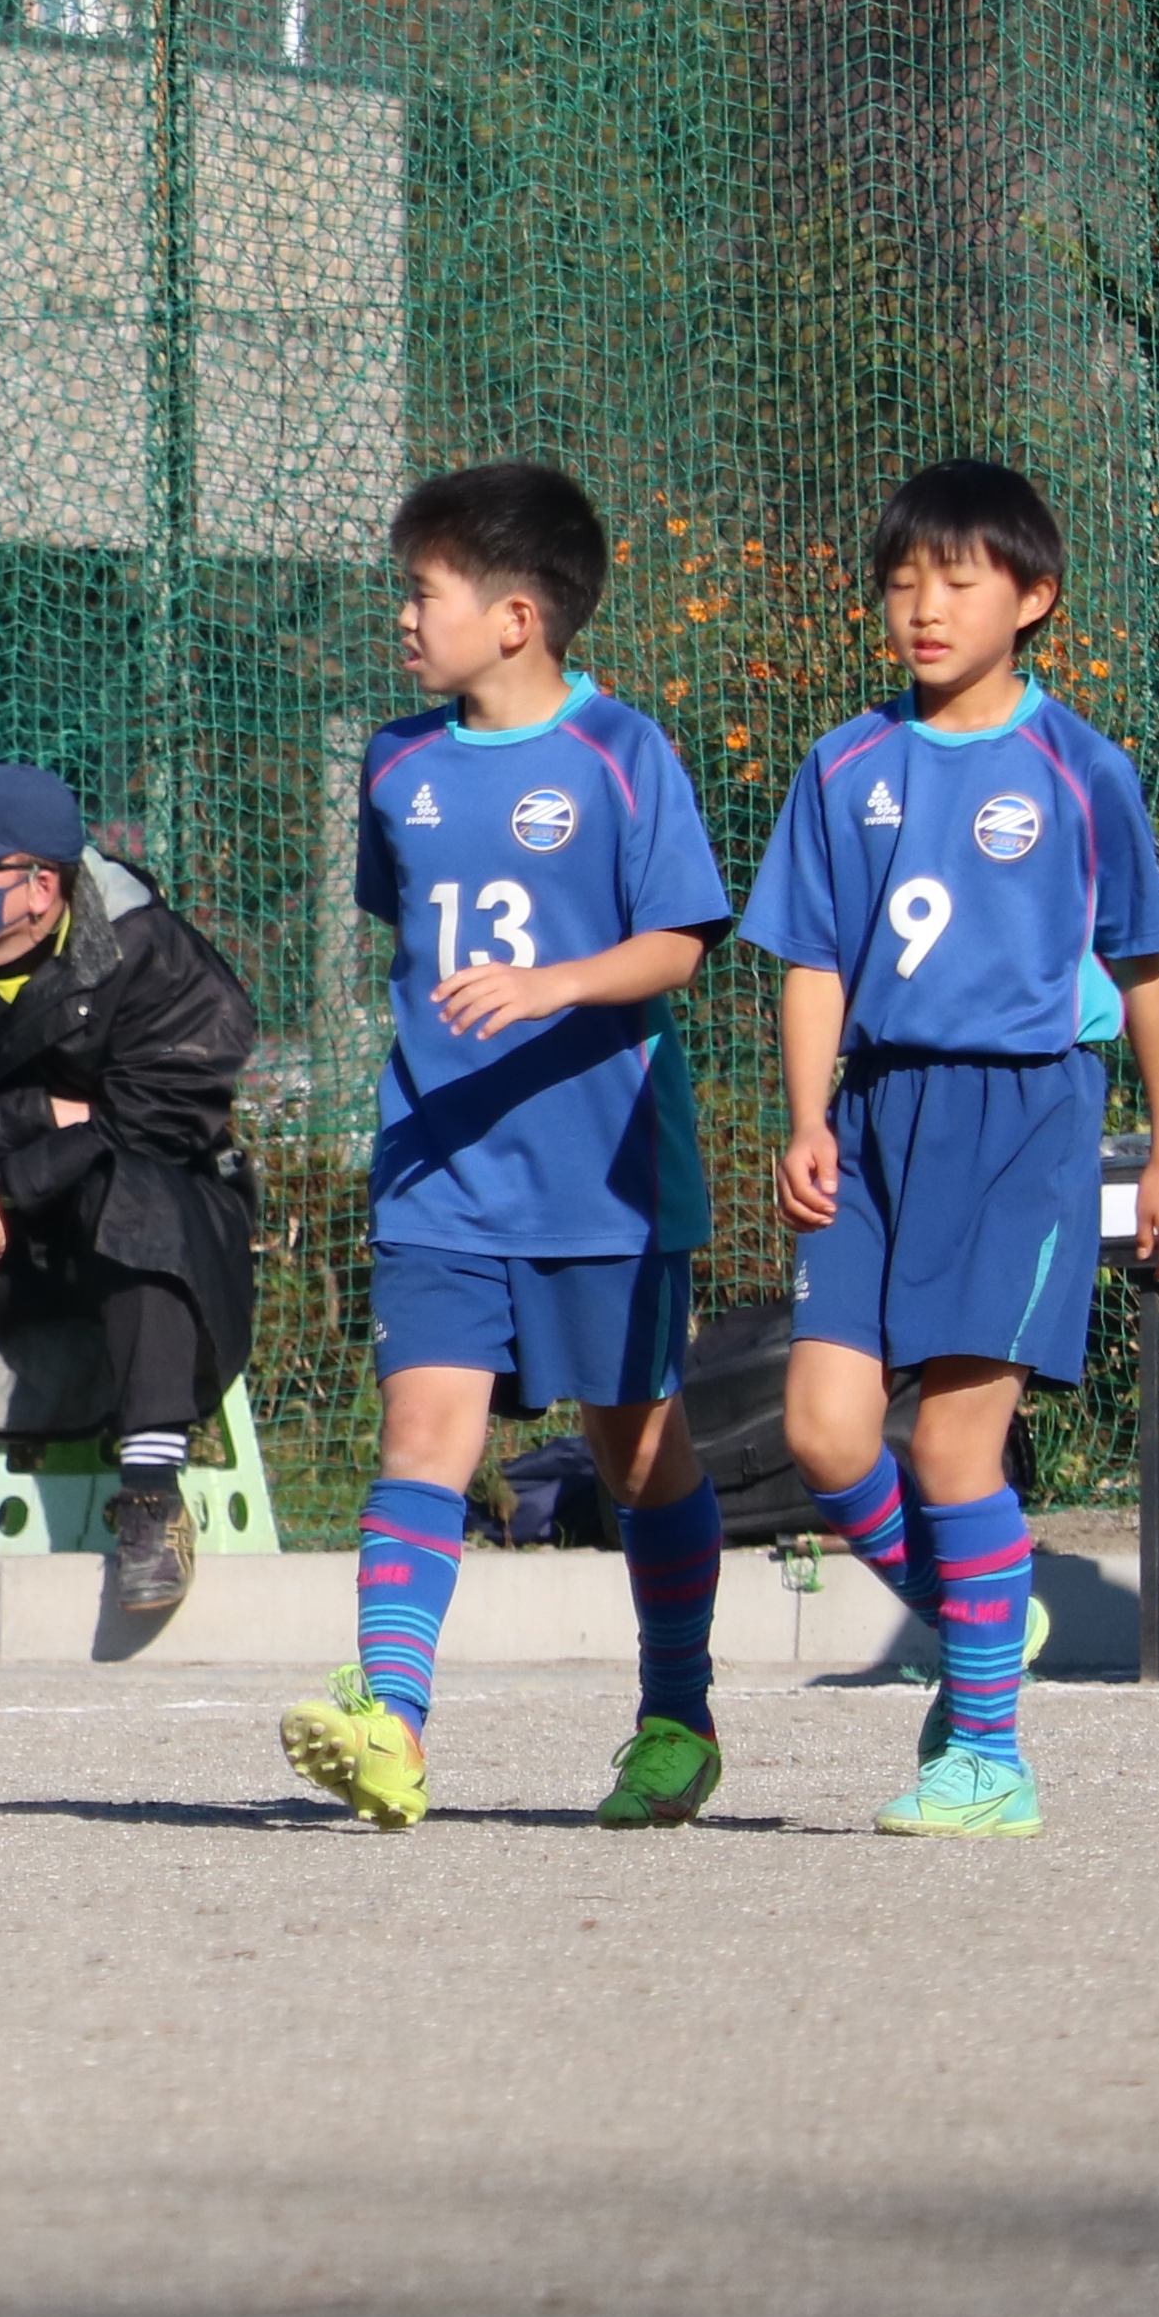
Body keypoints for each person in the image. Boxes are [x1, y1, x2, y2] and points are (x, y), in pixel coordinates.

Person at [745, 462, 1159, 1837]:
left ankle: (990, 1758)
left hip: (1026, 1122)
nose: (924, 609)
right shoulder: (844, 763)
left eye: (956, 582)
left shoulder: (1082, 769)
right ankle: (982, 1635)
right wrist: (810, 1115)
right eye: (902, 585)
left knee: (955, 1450)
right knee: (824, 1434)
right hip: (877, 1118)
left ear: (1033, 599)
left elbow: (1144, 976)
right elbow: (815, 961)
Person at [289, 462, 733, 1833]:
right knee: (422, 1434)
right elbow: (409, 926)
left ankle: (676, 1717)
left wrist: (553, 982)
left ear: (520, 616)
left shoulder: (622, 754)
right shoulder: (396, 762)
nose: (403, 619)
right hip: (438, 1169)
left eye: (423, 594)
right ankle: (393, 1727)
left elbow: (681, 943)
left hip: (602, 1181)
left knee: (638, 1450)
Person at [0, 755, 258, 1616]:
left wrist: (6, 1174)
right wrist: (41, 1115)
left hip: (143, 1243)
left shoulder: (153, 954)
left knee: (139, 1189)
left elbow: (160, 1120)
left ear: (41, 885)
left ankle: (151, 1495)